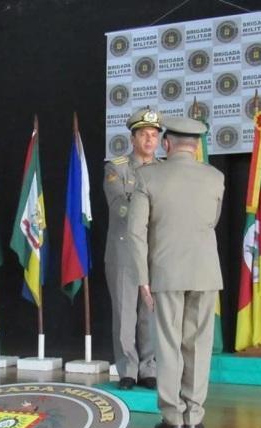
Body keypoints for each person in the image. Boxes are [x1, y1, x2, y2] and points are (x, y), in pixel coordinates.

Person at [128, 116, 224, 428]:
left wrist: (142, 277)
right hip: (205, 271)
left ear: (167, 143)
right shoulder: (215, 177)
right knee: (198, 344)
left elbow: (135, 232)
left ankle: (173, 418)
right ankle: (194, 416)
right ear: (196, 147)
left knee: (168, 344)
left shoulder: (147, 177)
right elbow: (212, 220)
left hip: (165, 272)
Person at [104, 106, 161, 390]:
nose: (150, 140)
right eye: (144, 135)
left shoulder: (164, 171)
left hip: (154, 249)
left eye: (154, 135)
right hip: (124, 249)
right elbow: (120, 207)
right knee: (126, 311)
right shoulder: (117, 168)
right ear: (133, 139)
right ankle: (128, 368)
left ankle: (148, 368)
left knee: (149, 311)